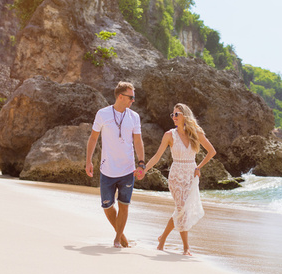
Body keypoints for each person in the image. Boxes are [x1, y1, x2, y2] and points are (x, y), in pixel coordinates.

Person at [143, 103, 216, 256]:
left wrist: (199, 167)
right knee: (182, 209)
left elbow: (211, 151)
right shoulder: (169, 135)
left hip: (191, 175)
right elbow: (157, 156)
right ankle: (186, 248)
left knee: (181, 210)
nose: (174, 117)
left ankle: (162, 239)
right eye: (173, 115)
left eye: (177, 114)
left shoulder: (195, 133)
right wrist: (144, 170)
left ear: (185, 116)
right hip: (176, 176)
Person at [85, 81, 146, 248]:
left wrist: (141, 163)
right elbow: (93, 138)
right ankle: (122, 235)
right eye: (131, 97)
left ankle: (118, 239)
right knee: (107, 206)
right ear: (121, 96)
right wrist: (88, 161)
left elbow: (138, 141)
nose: (133, 100)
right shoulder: (102, 114)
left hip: (127, 169)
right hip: (107, 169)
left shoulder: (134, 117)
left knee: (124, 205)